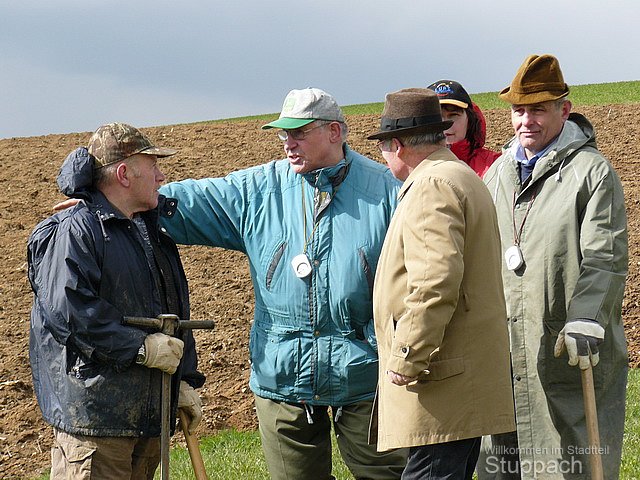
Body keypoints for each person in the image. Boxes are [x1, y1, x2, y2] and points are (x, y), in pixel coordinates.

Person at [157, 88, 407, 479]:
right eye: (283, 134)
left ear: (335, 132)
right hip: (283, 375)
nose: (289, 144)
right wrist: (117, 199)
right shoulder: (260, 191)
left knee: (389, 474)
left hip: (366, 376)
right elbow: (186, 202)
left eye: (300, 133)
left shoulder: (386, 192)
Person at [477, 54, 628, 479]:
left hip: (568, 350)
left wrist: (585, 318)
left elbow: (606, 257)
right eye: (518, 110)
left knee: (568, 465)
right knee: (502, 466)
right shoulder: (497, 175)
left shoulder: (591, 173)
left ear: (564, 109)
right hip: (505, 351)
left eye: (538, 109)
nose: (526, 121)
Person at [28, 122, 205, 479]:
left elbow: (172, 311)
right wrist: (141, 348)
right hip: (97, 423)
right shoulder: (77, 230)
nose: (161, 175)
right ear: (124, 173)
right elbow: (70, 313)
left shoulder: (149, 230)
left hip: (146, 417)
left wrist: (183, 380)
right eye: (153, 165)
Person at [367, 88, 516, 480]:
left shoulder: (432, 186)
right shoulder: (459, 176)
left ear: (397, 145)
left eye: (384, 146)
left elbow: (435, 279)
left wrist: (407, 354)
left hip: (440, 382)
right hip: (457, 381)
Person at [427, 79, 499, 177]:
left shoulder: (495, 166)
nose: (445, 123)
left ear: (469, 120)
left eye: (453, 115)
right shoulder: (409, 167)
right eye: (437, 117)